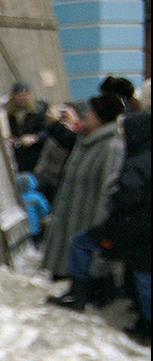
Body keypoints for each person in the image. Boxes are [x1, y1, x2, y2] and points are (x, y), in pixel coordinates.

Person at [50, 112, 151, 343]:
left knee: (144, 280)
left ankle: (80, 294)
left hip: (131, 230)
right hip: (136, 230)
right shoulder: (142, 156)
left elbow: (127, 197)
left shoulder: (137, 160)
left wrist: (114, 199)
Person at [41, 93, 126, 289]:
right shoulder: (84, 142)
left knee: (86, 257)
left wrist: (99, 224)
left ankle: (88, 289)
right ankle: (74, 286)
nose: (85, 115)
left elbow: (108, 191)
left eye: (91, 112)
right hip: (70, 215)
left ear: (101, 118)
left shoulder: (111, 146)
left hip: (89, 218)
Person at [5, 81, 51, 172]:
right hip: (16, 155)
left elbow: (46, 131)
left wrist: (34, 138)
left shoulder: (38, 111)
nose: (22, 98)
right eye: (20, 95)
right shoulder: (8, 113)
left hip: (34, 155)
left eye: (25, 95)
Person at [17, 171, 51, 245]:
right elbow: (44, 209)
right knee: (36, 243)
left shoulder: (17, 198)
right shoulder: (36, 197)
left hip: (21, 229)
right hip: (34, 227)